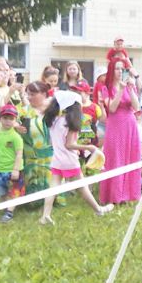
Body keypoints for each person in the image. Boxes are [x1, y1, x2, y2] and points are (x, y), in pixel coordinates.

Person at [40, 91, 113, 224]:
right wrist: (89, 148)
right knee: (82, 187)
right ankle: (98, 209)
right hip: (69, 160)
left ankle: (46, 215)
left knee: (53, 187)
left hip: (57, 159)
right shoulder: (70, 123)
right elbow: (70, 144)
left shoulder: (54, 120)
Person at [98, 58, 142, 205]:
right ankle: (114, 195)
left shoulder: (130, 86)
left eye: (122, 69)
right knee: (115, 158)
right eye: (117, 68)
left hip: (130, 125)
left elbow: (136, 106)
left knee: (130, 157)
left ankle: (129, 193)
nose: (119, 71)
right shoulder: (106, 88)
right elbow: (111, 108)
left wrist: (130, 89)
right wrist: (121, 90)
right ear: (111, 70)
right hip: (115, 126)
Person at [16, 81, 53, 204]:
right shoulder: (24, 111)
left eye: (33, 94)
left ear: (43, 94)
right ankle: (33, 201)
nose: (29, 97)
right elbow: (10, 121)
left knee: (49, 174)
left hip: (49, 152)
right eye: (28, 94)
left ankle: (52, 199)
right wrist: (16, 126)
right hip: (30, 152)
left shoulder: (52, 110)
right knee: (32, 175)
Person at [0, 104, 24, 223]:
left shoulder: (16, 137)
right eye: (5, 118)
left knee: (15, 191)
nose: (8, 121)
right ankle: (7, 208)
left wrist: (15, 170)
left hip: (13, 169)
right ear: (0, 119)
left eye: (11, 119)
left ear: (15, 121)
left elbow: (19, 154)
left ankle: (9, 212)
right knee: (2, 192)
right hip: (0, 168)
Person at [71, 81, 102, 176]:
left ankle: (90, 188)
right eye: (75, 92)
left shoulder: (94, 107)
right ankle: (77, 189)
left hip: (90, 143)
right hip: (76, 143)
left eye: (80, 93)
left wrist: (102, 106)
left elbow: (102, 120)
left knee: (91, 168)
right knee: (77, 169)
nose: (77, 95)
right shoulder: (72, 107)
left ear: (87, 93)